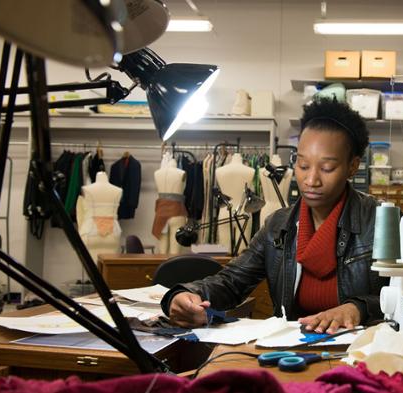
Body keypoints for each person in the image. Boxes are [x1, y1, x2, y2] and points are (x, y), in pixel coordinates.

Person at [161, 98, 386, 333]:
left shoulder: (381, 222)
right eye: (302, 165)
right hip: (293, 351)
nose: (311, 180)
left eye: (327, 168)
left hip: (362, 352)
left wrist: (358, 308)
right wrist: (184, 295)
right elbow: (232, 282)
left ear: (353, 166)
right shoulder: (279, 226)